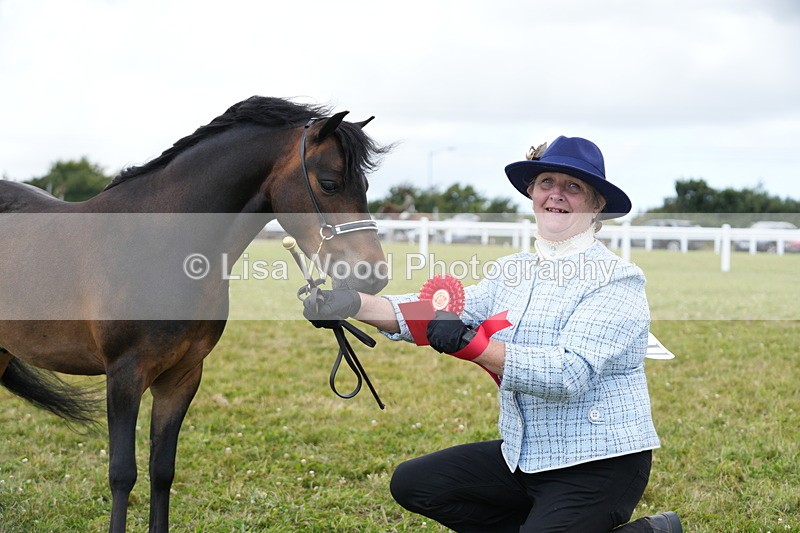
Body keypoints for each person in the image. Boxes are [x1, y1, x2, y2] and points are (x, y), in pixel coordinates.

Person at [302, 136, 683, 533]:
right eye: (547, 183)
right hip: (524, 456)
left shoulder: (617, 280)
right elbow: (436, 311)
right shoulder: (511, 271)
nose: (557, 195)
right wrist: (351, 303)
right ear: (532, 193)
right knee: (415, 484)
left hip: (597, 465)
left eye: (574, 187)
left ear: (596, 203)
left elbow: (567, 373)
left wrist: (473, 345)